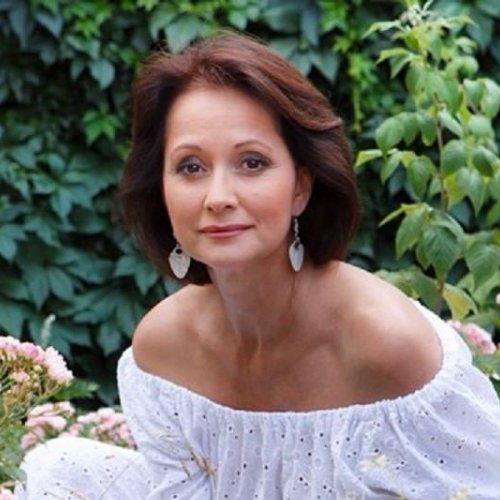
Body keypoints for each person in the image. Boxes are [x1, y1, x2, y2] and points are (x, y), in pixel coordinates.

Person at [17, 31, 500, 499]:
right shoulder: (163, 350)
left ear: (301, 187)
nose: (218, 197)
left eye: (252, 163)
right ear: (160, 189)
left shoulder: (386, 342)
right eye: (190, 167)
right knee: (59, 471)